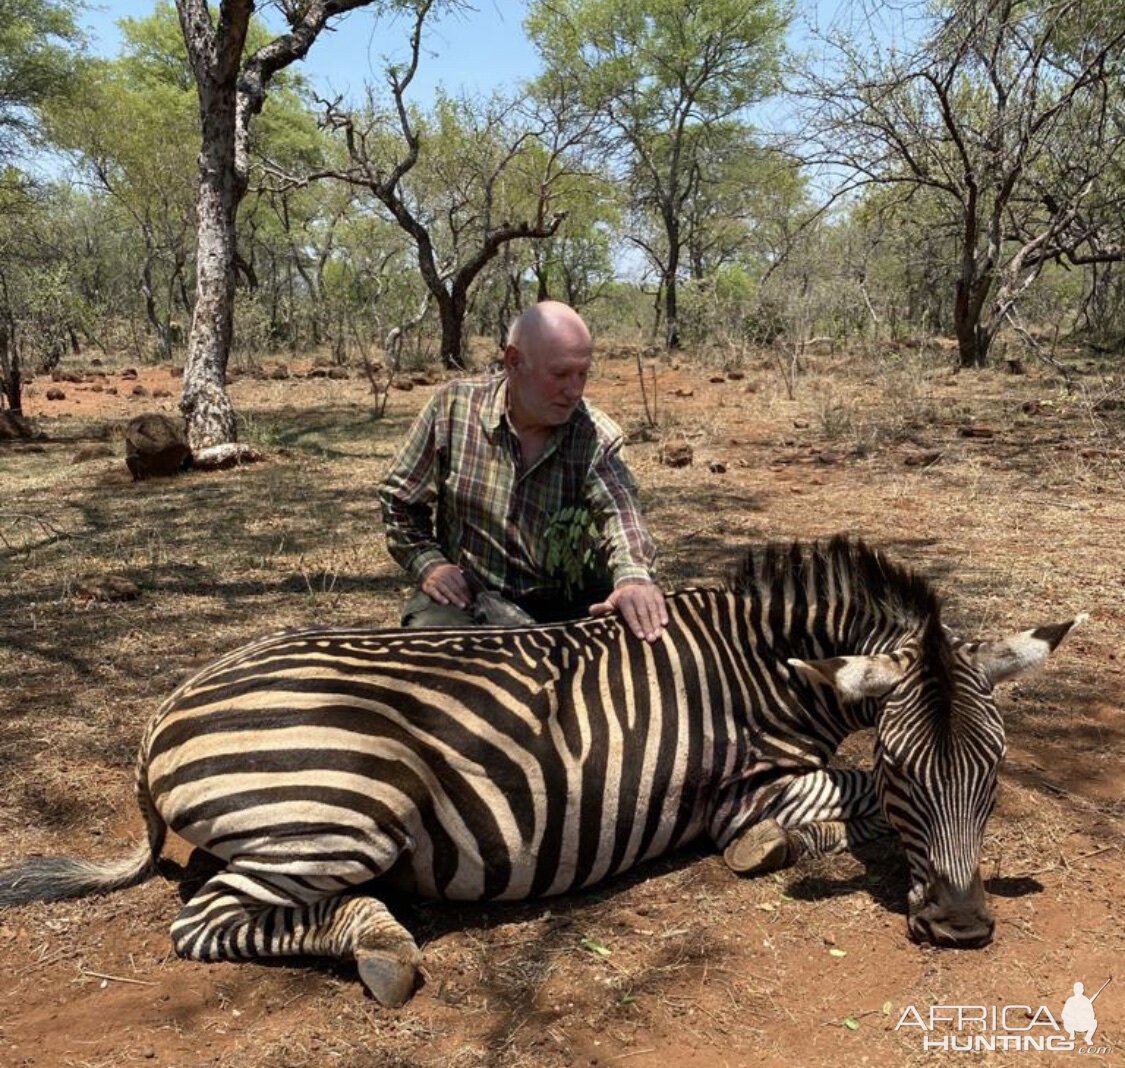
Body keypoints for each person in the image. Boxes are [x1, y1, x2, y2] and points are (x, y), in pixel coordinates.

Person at [378, 301, 667, 641]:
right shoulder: (453, 407)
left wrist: (633, 578)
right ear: (514, 362)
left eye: (583, 374)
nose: (575, 390)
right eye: (560, 375)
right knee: (433, 647)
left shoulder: (597, 436)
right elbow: (398, 498)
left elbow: (621, 513)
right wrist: (429, 563)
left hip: (564, 601)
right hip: (469, 595)